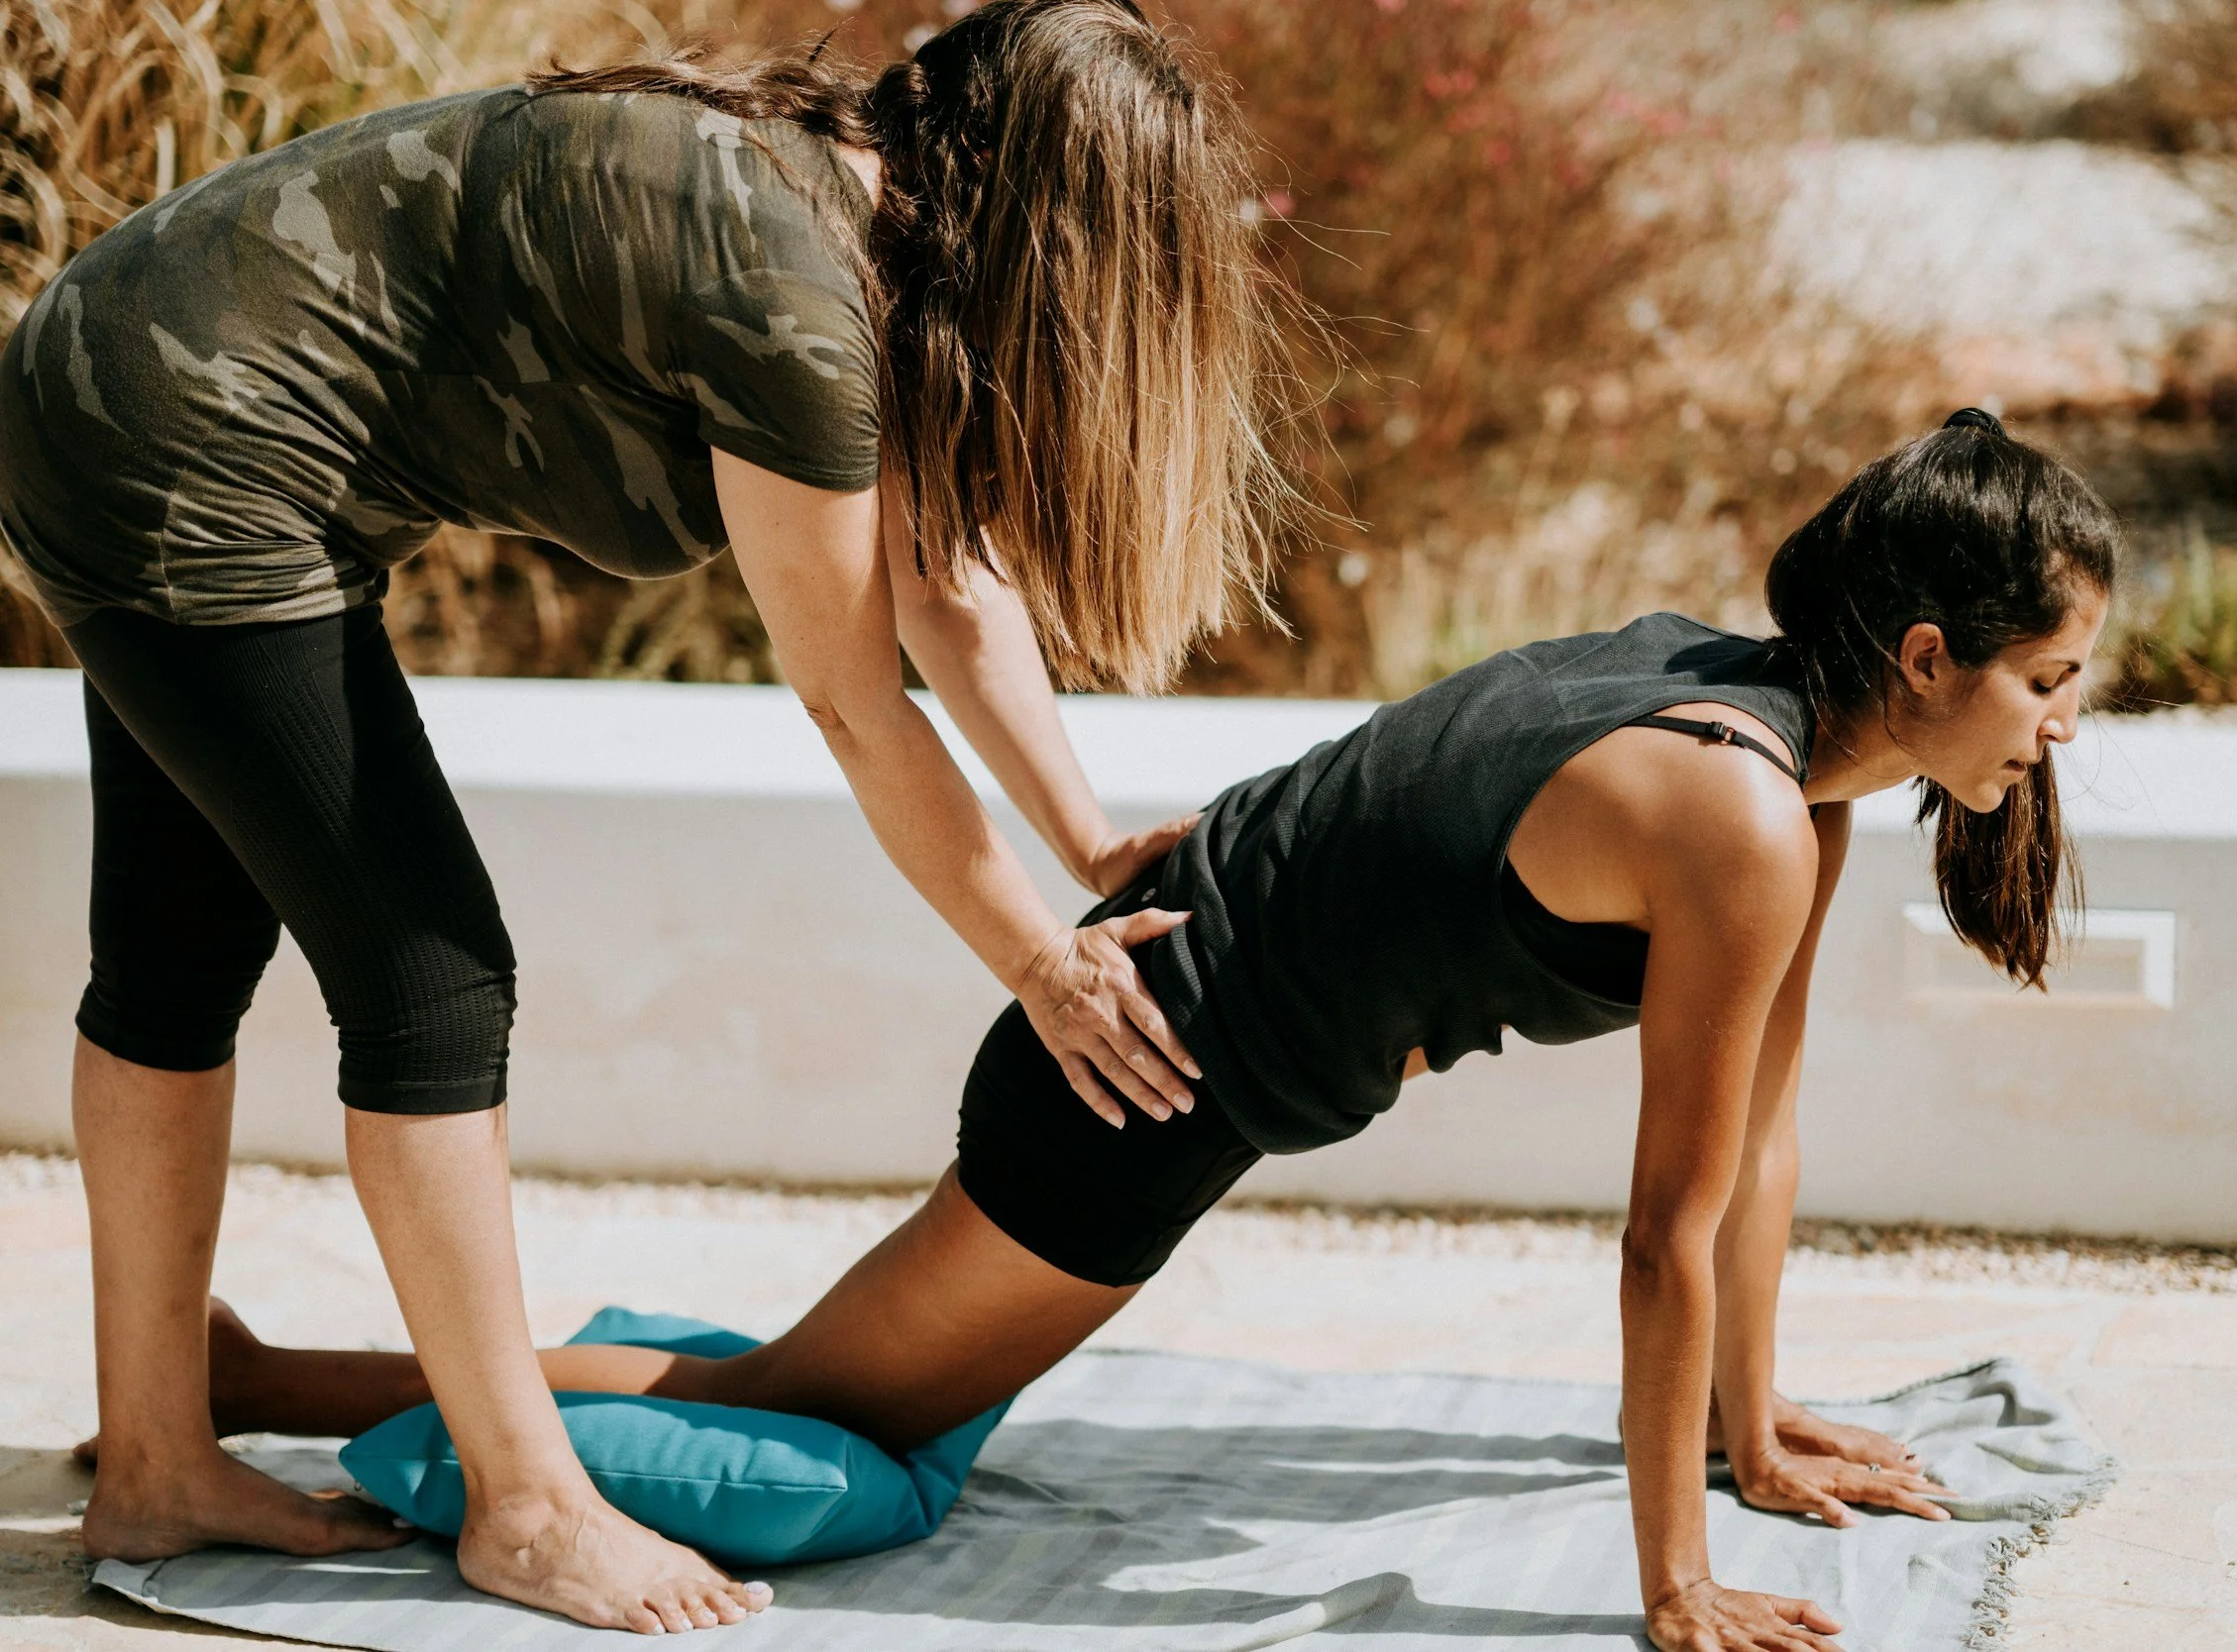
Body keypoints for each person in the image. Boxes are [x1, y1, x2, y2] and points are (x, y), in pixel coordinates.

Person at [190, 412, 2121, 1650]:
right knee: (809, 1412)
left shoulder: (1783, 754)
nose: (2056, 729)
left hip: (1167, 1012)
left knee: (821, 1385)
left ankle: (270, 1374)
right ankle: (264, 1388)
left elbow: (1755, 1147)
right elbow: (1660, 1231)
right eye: (2043, 681)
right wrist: (1674, 1585)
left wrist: (1747, 1435)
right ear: (1925, 660)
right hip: (1134, 1070)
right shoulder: (1736, 814)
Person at [0, 0, 1304, 1632]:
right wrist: (1045, 964)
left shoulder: (861, 225)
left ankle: (158, 1459)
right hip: (184, 430)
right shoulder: (797, 300)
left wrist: (1093, 848)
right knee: (431, 979)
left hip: (125, 375)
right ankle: (530, 1508)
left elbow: (946, 590)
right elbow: (851, 701)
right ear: (1054, 222)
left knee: (177, 959)